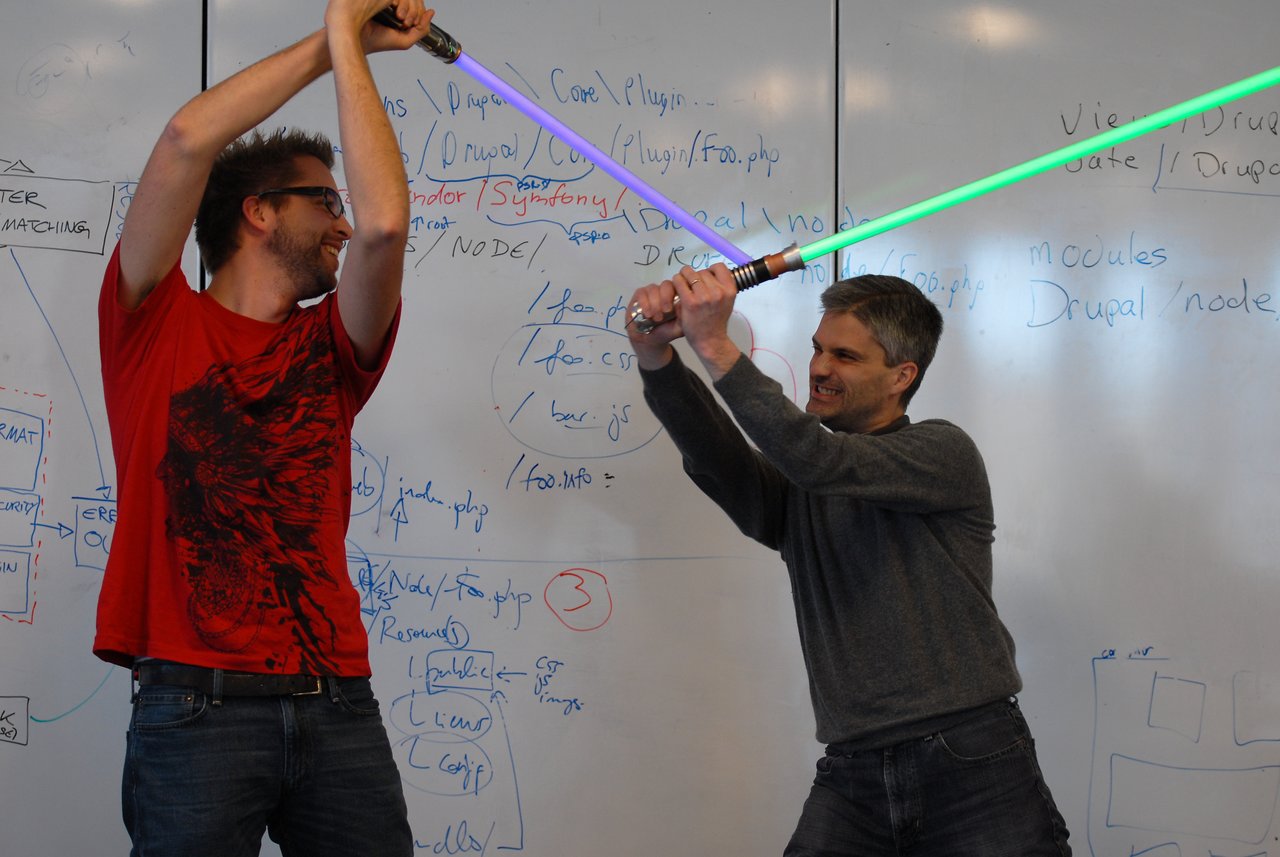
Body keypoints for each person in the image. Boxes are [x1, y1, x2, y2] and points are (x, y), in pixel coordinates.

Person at [95, 2, 434, 854]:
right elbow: (186, 140)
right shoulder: (152, 321)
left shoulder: (332, 346)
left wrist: (352, 46)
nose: (344, 222)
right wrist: (338, 31)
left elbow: (386, 225)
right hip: (193, 704)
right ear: (257, 211)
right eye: (325, 201)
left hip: (335, 697)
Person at [626, 266, 1071, 856]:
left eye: (845, 356)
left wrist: (713, 343)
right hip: (853, 769)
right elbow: (719, 457)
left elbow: (818, 459)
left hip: (970, 758)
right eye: (817, 349)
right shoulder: (802, 488)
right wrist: (656, 357)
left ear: (901, 376)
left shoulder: (942, 452)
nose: (819, 367)